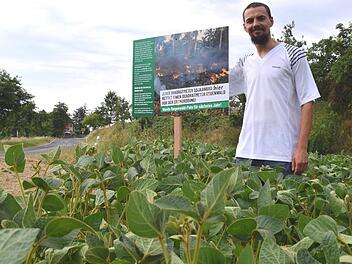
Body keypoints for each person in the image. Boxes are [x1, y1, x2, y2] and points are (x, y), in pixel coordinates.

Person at [229, 2, 320, 175]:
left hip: (282, 154)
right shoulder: (245, 63)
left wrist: (302, 148)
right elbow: (214, 88)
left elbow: (308, 100)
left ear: (271, 21)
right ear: (244, 27)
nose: (255, 23)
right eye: (250, 21)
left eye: (261, 18)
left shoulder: (293, 54)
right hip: (246, 153)